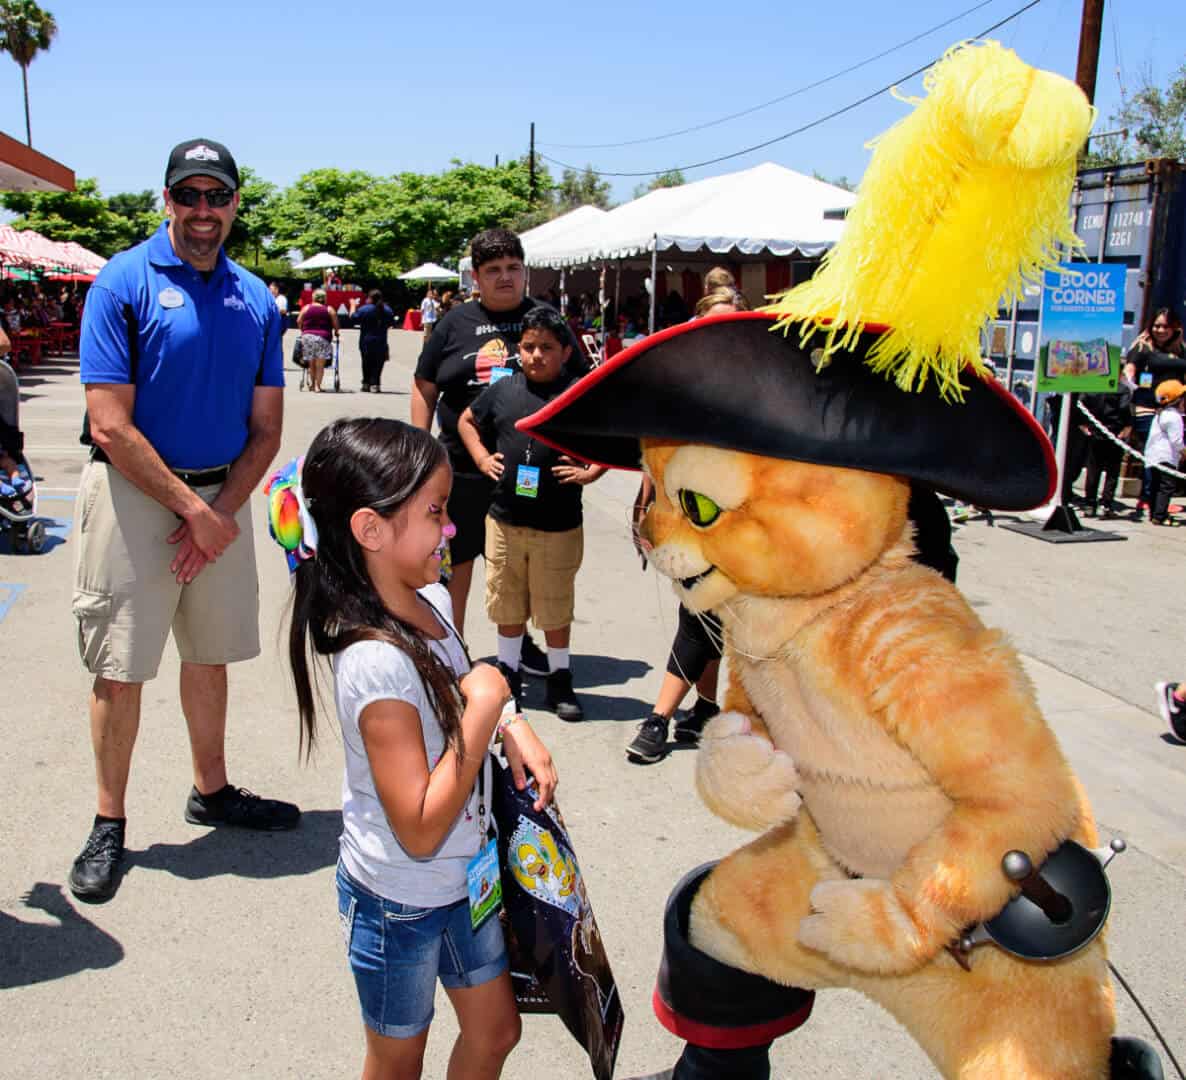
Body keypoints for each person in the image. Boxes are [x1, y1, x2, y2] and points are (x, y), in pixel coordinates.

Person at [282, 416, 556, 1080]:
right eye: (435, 512)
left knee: (496, 1031)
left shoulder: (429, 599)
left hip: (465, 879)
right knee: (398, 1061)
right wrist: (485, 710)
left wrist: (509, 720)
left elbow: (462, 677)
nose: (451, 527)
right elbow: (420, 824)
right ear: (371, 530)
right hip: (399, 902)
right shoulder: (374, 664)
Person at [68, 137, 296, 904]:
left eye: (217, 196)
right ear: (167, 199)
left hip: (220, 501)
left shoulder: (255, 298)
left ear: (235, 204)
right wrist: (194, 511)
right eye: (188, 195)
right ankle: (109, 820)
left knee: (210, 655)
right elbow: (109, 423)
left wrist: (218, 512)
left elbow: (267, 427)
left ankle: (212, 790)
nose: (203, 211)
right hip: (135, 498)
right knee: (120, 666)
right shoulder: (122, 281)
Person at [411, 227, 590, 647]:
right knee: (456, 562)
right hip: (461, 469)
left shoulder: (547, 319)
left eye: (513, 267)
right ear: (476, 277)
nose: (505, 277)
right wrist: (418, 452)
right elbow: (424, 387)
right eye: (493, 270)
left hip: (533, 471)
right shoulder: (453, 323)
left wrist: (585, 454)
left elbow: (583, 390)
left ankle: (519, 647)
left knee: (524, 565)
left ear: (525, 271)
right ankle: (451, 650)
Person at [458, 306, 606, 722]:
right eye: (528, 347)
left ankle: (559, 677)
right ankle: (508, 673)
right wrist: (482, 458)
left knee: (554, 604)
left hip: (557, 525)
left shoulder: (578, 393)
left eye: (546, 347)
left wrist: (592, 471)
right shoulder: (503, 389)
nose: (536, 355)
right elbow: (468, 421)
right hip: (504, 520)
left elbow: (615, 436)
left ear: (565, 352)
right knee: (505, 600)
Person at [626, 289, 750, 764]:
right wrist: (644, 502)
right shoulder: (680, 381)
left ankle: (659, 718)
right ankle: (704, 708)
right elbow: (656, 447)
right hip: (686, 514)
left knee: (702, 614)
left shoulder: (759, 382)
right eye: (713, 323)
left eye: (733, 323)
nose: (722, 333)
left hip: (739, 518)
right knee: (703, 614)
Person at [1079, 381, 1133, 518]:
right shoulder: (1122, 388)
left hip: (1095, 431)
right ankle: (1106, 505)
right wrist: (1127, 426)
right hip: (1115, 432)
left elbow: (1081, 403)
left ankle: (1090, 504)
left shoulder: (1092, 385)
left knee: (1093, 470)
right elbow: (1124, 408)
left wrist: (1083, 423)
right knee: (1112, 471)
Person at [1143, 378, 1185, 526]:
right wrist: (1184, 452)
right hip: (1166, 456)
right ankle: (1160, 516)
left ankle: (1154, 513)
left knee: (1155, 485)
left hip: (1153, 455)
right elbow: (1176, 441)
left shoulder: (1160, 414)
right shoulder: (1174, 417)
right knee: (1166, 487)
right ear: (1177, 400)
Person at [353, 288, 396, 393]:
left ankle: (366, 383)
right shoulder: (387, 310)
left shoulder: (364, 309)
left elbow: (353, 318)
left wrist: (352, 305)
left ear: (370, 298)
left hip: (366, 340)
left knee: (366, 361)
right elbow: (391, 323)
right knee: (378, 363)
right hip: (381, 340)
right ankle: (375, 384)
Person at [297, 287, 339, 393]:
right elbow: (335, 323)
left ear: (314, 297)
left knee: (311, 364)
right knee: (320, 365)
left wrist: (302, 330)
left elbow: (299, 320)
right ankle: (317, 386)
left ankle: (312, 385)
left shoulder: (306, 308)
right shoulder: (329, 309)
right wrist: (336, 332)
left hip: (308, 337)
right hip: (323, 337)